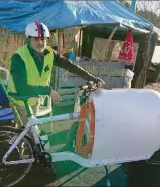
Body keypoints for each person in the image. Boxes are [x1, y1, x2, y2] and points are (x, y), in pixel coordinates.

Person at [7, 21, 104, 174]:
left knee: (29, 130)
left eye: (43, 39)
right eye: (36, 39)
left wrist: (91, 78)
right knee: (29, 131)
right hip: (21, 99)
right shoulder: (18, 57)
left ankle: (24, 153)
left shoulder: (49, 53)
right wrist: (49, 91)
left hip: (35, 98)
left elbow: (70, 65)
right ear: (28, 39)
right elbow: (22, 87)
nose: (40, 42)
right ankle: (15, 159)